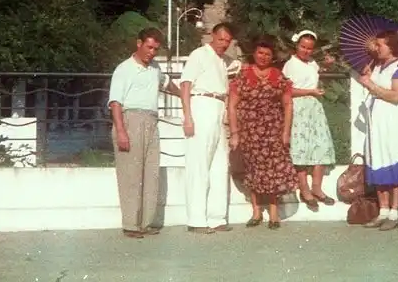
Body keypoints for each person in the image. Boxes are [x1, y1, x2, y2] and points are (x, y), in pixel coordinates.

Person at [108, 27, 180, 239]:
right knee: (130, 175)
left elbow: (168, 84)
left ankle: (146, 223)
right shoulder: (124, 69)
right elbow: (115, 103)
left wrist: (187, 94)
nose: (152, 52)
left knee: (151, 174)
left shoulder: (155, 68)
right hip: (130, 120)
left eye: (155, 49)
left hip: (151, 121)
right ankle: (131, 224)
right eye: (149, 47)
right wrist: (121, 131)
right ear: (138, 43)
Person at [227, 35, 297, 230]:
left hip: (273, 131)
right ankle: (256, 212)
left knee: (273, 171)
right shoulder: (243, 76)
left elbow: (288, 105)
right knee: (252, 171)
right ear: (254, 53)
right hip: (249, 132)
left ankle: (274, 213)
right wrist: (235, 133)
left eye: (267, 54)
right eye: (260, 53)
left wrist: (286, 132)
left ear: (272, 56)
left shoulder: (278, 76)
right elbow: (232, 105)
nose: (263, 57)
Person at [357, 30, 398, 231]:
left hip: (393, 123)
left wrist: (371, 85)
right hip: (377, 123)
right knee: (379, 161)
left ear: (391, 46)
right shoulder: (377, 67)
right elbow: (376, 89)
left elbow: (396, 96)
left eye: (380, 45)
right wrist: (369, 79)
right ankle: (383, 211)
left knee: (395, 162)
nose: (377, 48)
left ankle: (394, 212)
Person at [179, 23, 235, 234]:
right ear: (212, 35)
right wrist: (188, 117)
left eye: (227, 41)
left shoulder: (223, 61)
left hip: (218, 107)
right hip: (201, 105)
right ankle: (196, 219)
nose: (224, 44)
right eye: (221, 39)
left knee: (219, 165)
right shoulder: (199, 54)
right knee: (199, 164)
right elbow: (185, 85)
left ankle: (216, 217)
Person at [283, 29, 337, 211]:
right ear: (297, 45)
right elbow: (288, 91)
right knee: (301, 148)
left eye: (309, 48)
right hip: (298, 107)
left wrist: (327, 66)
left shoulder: (312, 63)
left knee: (320, 145)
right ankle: (304, 189)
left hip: (314, 107)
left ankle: (317, 188)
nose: (306, 51)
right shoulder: (290, 65)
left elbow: (314, 75)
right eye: (303, 47)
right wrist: (310, 91)